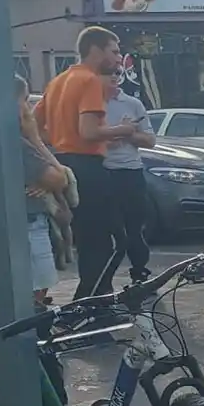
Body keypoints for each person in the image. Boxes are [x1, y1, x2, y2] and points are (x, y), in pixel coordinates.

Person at [0, 77, 69, 309]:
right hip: (27, 223)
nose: (30, 108)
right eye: (26, 100)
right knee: (37, 286)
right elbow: (58, 178)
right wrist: (36, 138)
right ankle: (27, 333)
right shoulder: (17, 143)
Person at [36, 27, 130, 298]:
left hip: (64, 165)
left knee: (90, 239)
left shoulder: (58, 80)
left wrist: (57, 141)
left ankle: (95, 299)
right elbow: (89, 131)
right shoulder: (89, 79)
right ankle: (90, 302)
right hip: (87, 168)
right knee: (108, 241)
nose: (118, 57)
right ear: (95, 50)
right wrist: (121, 131)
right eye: (114, 51)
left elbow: (32, 124)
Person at [100, 71, 156, 286]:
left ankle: (140, 274)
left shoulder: (132, 104)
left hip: (131, 172)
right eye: (108, 73)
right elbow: (86, 138)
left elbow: (150, 140)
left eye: (117, 74)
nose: (113, 77)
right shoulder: (91, 103)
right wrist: (113, 135)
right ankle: (104, 281)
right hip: (104, 171)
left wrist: (128, 134)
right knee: (107, 230)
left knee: (135, 228)